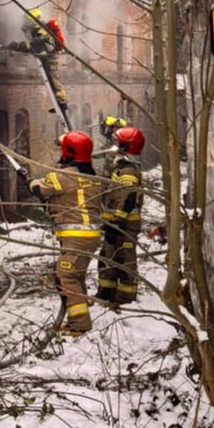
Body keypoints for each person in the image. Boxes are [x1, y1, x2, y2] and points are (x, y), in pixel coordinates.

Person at [29, 130, 103, 335]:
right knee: (75, 276)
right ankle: (79, 317)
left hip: (76, 238)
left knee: (65, 276)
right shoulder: (92, 178)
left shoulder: (61, 177)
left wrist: (31, 182)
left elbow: (39, 189)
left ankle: (80, 325)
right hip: (90, 237)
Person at [96, 125, 145, 306]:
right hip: (115, 225)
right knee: (108, 259)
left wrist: (115, 223)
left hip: (124, 227)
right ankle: (106, 294)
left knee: (125, 262)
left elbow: (127, 199)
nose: (115, 145)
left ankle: (125, 299)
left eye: (119, 142)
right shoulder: (121, 168)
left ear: (125, 147)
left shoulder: (128, 172)